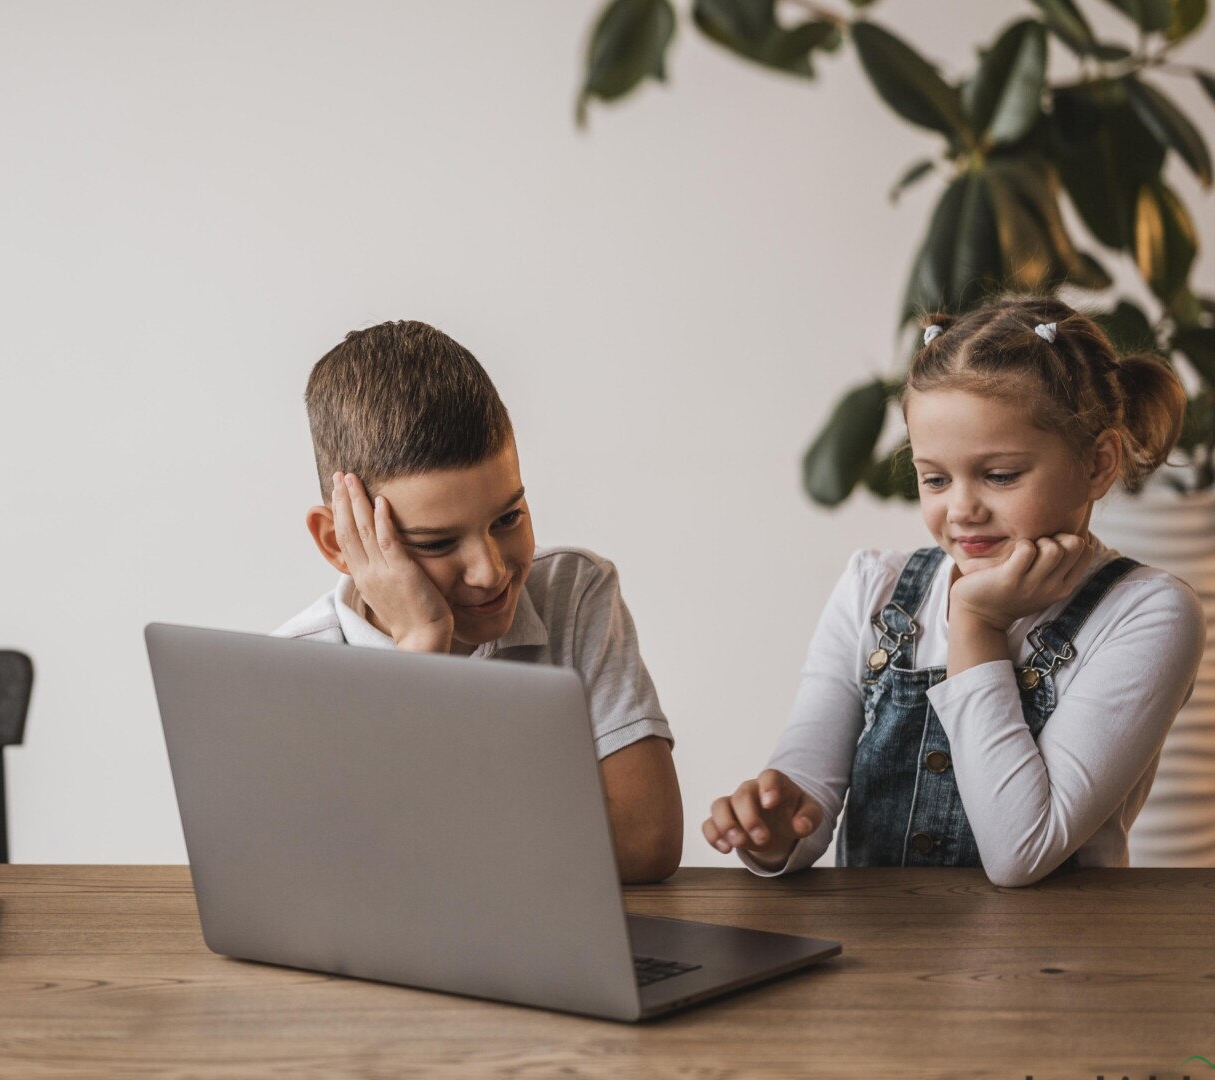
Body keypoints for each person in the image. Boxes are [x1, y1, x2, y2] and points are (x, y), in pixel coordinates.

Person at [706, 297, 1204, 886]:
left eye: (999, 476)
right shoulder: (873, 588)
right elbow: (809, 791)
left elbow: (1022, 849)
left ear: (1097, 464)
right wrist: (774, 828)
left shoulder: (1146, 613)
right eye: (935, 478)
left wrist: (975, 624)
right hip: (883, 963)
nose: (962, 509)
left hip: (1056, 964)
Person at [275, 320, 683, 882]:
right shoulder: (288, 670)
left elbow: (649, 841)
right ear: (337, 541)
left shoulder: (572, 595)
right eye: (437, 543)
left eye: (508, 518)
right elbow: (350, 876)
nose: (491, 570)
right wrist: (422, 648)